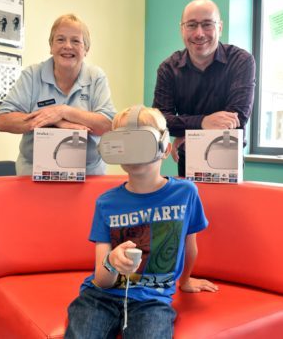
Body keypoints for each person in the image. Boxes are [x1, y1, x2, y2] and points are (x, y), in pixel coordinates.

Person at [65, 105, 218, 339]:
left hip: (152, 302)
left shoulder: (186, 193)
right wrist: (111, 263)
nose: (134, 153)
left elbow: (189, 246)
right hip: (99, 298)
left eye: (142, 143)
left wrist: (185, 280)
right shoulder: (106, 203)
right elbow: (102, 279)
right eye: (126, 144)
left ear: (165, 149)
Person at [0, 14, 116, 175]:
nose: (67, 46)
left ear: (86, 49)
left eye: (75, 41)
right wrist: (56, 123)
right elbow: (4, 120)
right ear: (51, 46)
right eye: (60, 39)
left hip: (88, 173)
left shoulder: (96, 77)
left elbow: (108, 125)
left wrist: (63, 111)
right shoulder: (32, 75)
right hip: (33, 172)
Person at [152, 0, 255, 177]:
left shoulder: (241, 61)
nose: (199, 33)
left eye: (207, 24)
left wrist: (186, 132)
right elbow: (159, 122)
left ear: (220, 27)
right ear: (182, 29)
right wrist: (203, 123)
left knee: (224, 206)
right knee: (191, 205)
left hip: (227, 157)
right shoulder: (168, 68)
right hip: (186, 159)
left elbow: (236, 119)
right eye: (191, 25)